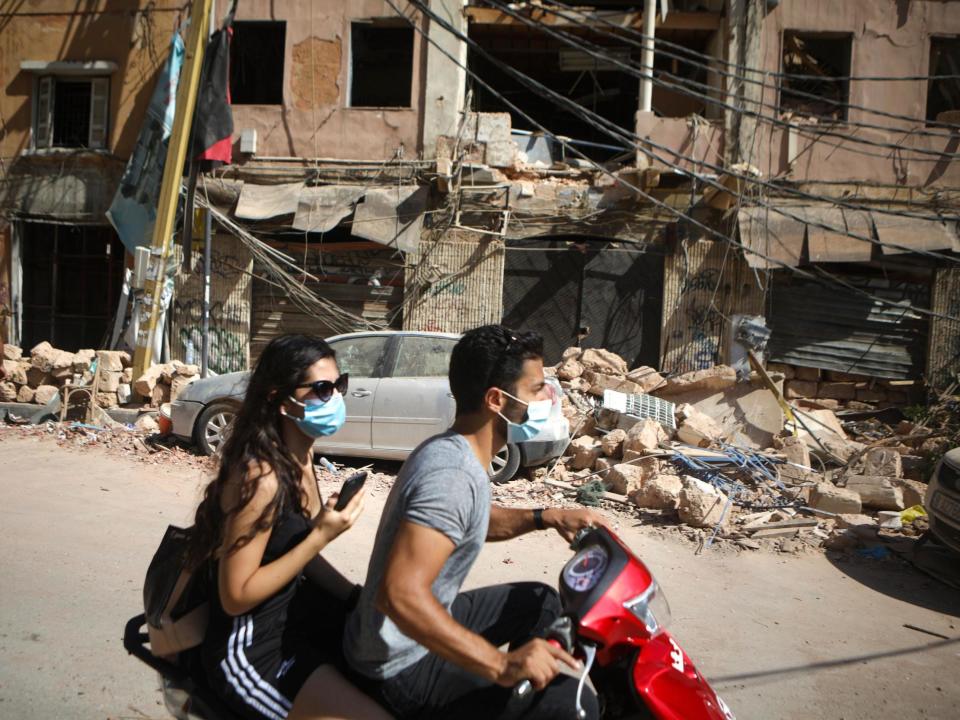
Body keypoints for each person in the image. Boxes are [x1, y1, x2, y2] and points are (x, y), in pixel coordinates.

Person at [344, 325, 604, 720]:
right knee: (570, 706)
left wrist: (544, 517)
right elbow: (398, 595)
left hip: (411, 631)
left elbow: (467, 521)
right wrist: (501, 666)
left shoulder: (454, 449)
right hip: (395, 665)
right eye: (536, 389)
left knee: (539, 605)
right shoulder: (451, 474)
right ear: (497, 399)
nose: (546, 398)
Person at [186, 334, 391, 720]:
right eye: (322, 389)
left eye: (339, 385)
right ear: (280, 399)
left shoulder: (301, 453)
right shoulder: (259, 477)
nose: (336, 398)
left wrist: (355, 598)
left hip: (294, 621)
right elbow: (236, 595)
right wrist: (320, 536)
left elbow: (296, 554)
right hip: (250, 651)